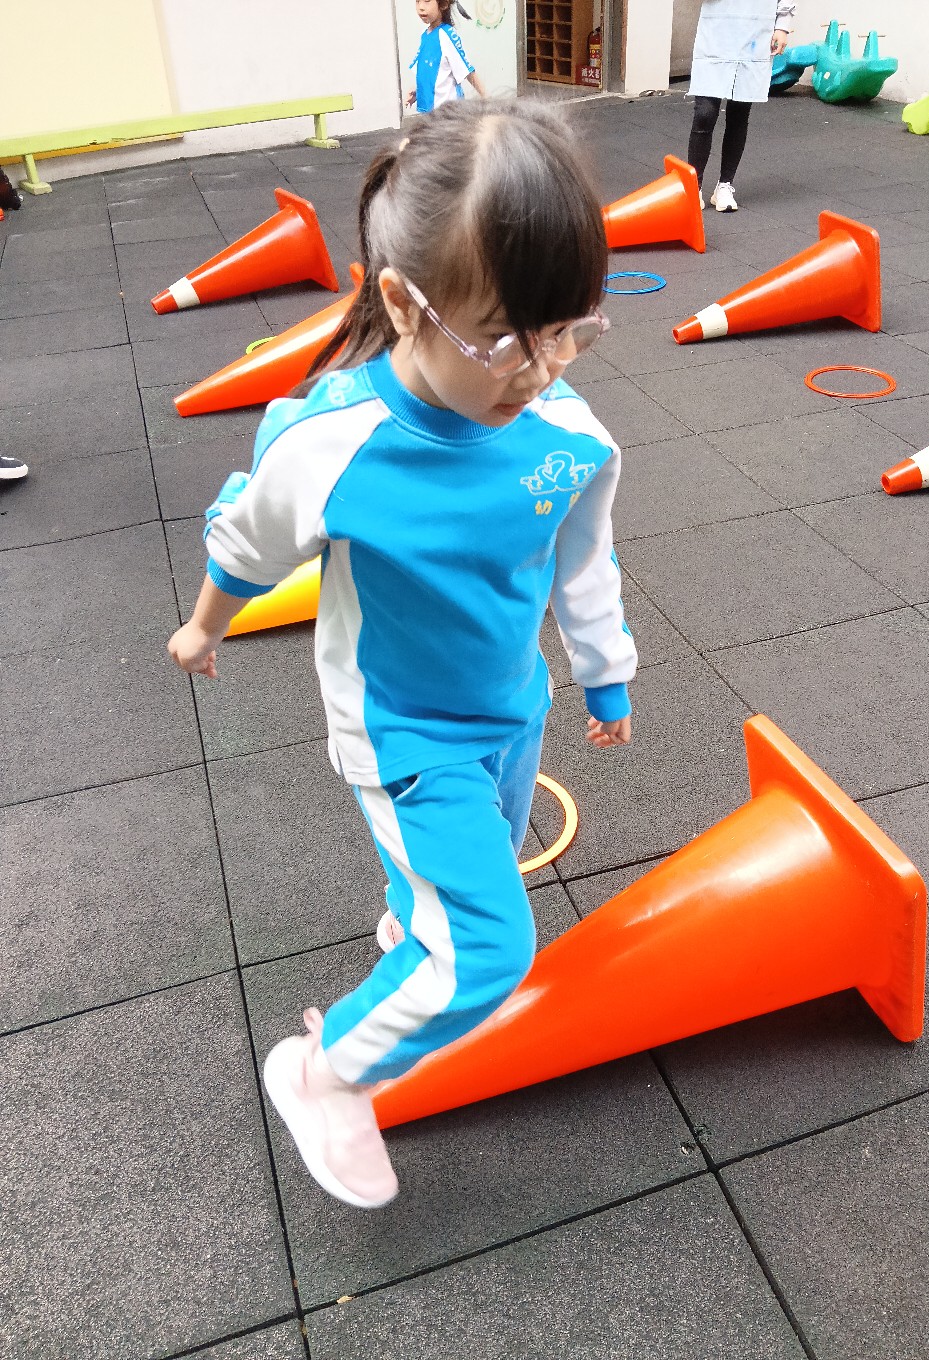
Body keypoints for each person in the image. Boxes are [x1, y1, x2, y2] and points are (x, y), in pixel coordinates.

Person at [167, 98, 636, 1209]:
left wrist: (604, 667)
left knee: (478, 860)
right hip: (402, 732)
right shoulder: (332, 444)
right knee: (489, 948)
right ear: (401, 304)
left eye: (567, 329)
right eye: (505, 338)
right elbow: (248, 537)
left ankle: (407, 925)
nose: (539, 369)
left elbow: (583, 556)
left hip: (512, 706)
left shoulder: (565, 432)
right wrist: (205, 623)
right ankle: (325, 1072)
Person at [687, 1, 796, 212]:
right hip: (716, 29)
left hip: (755, 31)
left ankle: (725, 185)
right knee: (705, 113)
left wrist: (782, 26)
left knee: (739, 112)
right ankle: (693, 186)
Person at [406, 0, 486, 114]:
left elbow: (468, 71)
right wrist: (418, 92)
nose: (420, 7)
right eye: (417, 1)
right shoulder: (425, 35)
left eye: (427, 1)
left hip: (448, 115)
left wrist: (489, 101)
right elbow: (430, 72)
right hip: (429, 115)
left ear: (443, 4)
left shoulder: (447, 34)